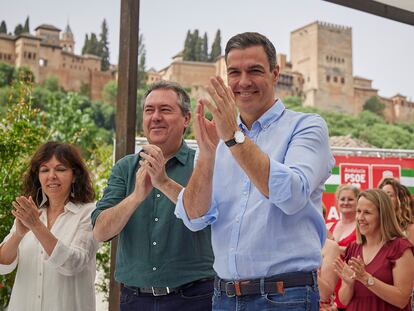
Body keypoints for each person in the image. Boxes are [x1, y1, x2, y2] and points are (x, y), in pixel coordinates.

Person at [174, 32, 335, 310]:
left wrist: (234, 138)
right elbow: (194, 217)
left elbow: (292, 194)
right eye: (234, 72)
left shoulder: (307, 127)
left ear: (275, 73)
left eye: (255, 71)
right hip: (224, 296)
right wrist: (208, 155)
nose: (244, 81)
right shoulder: (219, 135)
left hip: (285, 296)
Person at [92, 80, 215, 311]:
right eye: (149, 110)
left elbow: (202, 214)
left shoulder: (203, 164)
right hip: (134, 299)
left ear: (186, 119)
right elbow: (100, 231)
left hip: (194, 298)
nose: (155, 117)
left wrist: (163, 182)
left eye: (165, 110)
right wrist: (135, 197)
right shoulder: (124, 168)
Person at [0, 141, 98, 311]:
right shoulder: (31, 213)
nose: (51, 176)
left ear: (74, 175)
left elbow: (73, 264)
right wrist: (18, 234)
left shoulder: (89, 213)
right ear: (37, 176)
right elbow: (3, 266)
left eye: (60, 169)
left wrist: (36, 226)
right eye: (44, 170)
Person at [334, 189, 414, 311]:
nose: (360, 217)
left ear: (382, 215)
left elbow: (402, 299)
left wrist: (366, 278)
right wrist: (349, 284)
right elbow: (344, 300)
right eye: (358, 211)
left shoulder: (400, 248)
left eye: (367, 212)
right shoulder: (353, 248)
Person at [326, 184, 359, 310]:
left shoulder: (362, 228)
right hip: (330, 288)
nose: (346, 202)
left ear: (358, 201)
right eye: (342, 199)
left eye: (350, 199)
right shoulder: (329, 226)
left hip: (351, 286)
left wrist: (333, 248)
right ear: (337, 202)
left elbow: (362, 253)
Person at [378, 177, 414, 244]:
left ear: (400, 200)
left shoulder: (410, 229)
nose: (384, 199)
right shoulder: (377, 228)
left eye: (389, 195)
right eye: (382, 196)